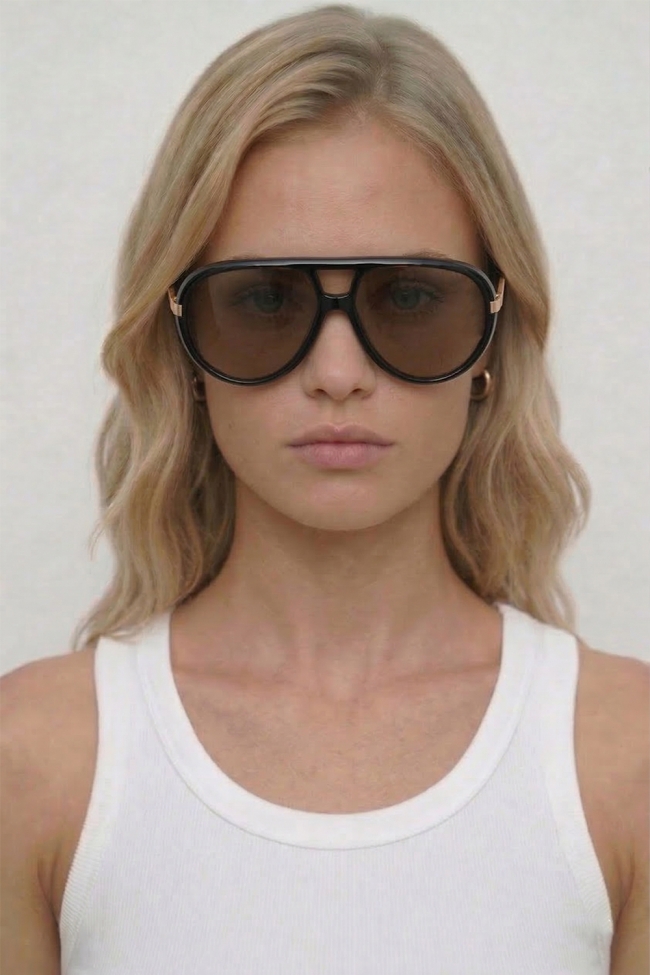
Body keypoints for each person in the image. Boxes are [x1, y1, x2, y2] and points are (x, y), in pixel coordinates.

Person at [1, 4, 647, 973]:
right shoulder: (34, 761)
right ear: (180, 340)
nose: (338, 372)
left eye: (409, 298)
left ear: (491, 334)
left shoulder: (625, 761)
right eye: (264, 300)